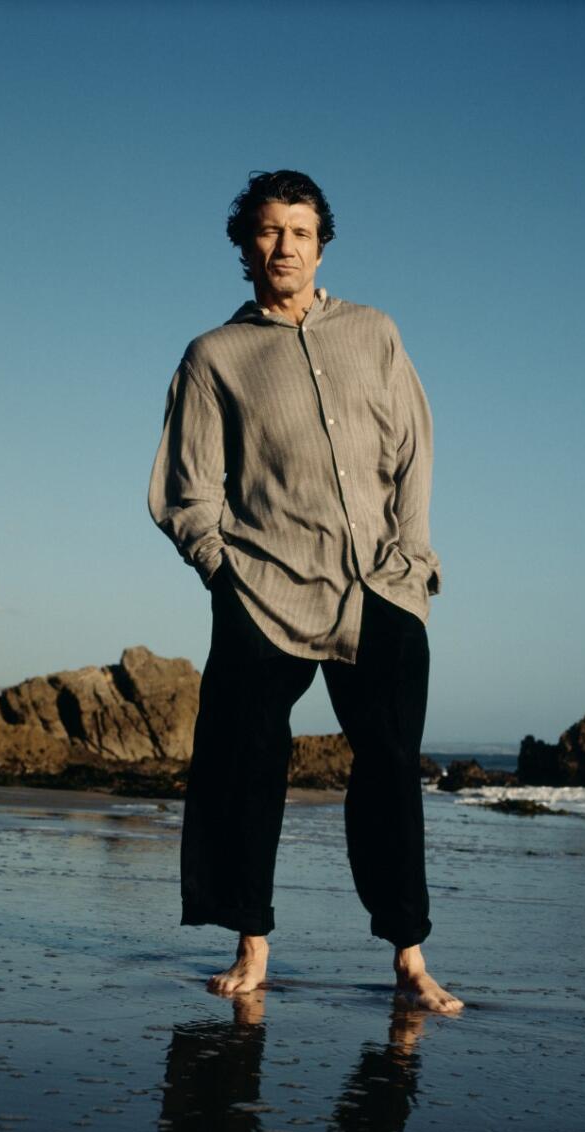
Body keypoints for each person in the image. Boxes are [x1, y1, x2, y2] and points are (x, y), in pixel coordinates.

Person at [148, 170, 462, 1013]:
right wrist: (223, 571)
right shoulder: (215, 355)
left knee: (393, 768)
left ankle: (410, 955)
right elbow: (186, 490)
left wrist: (414, 562)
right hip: (265, 588)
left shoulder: (375, 333)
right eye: (266, 230)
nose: (283, 245)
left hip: (380, 590)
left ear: (321, 243)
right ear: (243, 245)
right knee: (246, 764)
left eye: (299, 230)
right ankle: (253, 943)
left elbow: (414, 456)